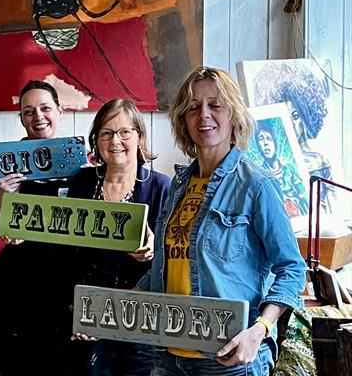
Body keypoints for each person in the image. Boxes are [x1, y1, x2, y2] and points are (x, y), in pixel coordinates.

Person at [137, 66, 306, 375]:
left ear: (233, 115)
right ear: (183, 120)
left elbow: (292, 269)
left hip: (229, 360)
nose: (204, 115)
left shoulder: (256, 184)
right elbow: (167, 268)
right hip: (167, 356)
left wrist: (260, 330)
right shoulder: (178, 187)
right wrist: (103, 312)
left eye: (215, 105)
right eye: (193, 107)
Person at [0, 80, 87, 376]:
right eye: (28, 111)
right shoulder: (0, 163)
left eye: (45, 108)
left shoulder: (82, 167)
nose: (38, 116)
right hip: (12, 293)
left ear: (60, 112)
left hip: (62, 293)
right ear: (21, 118)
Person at [67, 99, 171, 376]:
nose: (116, 141)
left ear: (139, 137)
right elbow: (67, 250)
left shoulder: (162, 187)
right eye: (106, 133)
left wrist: (154, 251)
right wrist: (77, 307)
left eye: (125, 132)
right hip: (90, 311)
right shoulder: (82, 183)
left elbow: (176, 255)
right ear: (97, 140)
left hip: (142, 316)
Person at [254, 121, 306, 217]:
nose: (265, 143)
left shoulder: (290, 169)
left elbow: (305, 199)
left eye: (269, 138)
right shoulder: (258, 176)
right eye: (261, 139)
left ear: (275, 143)